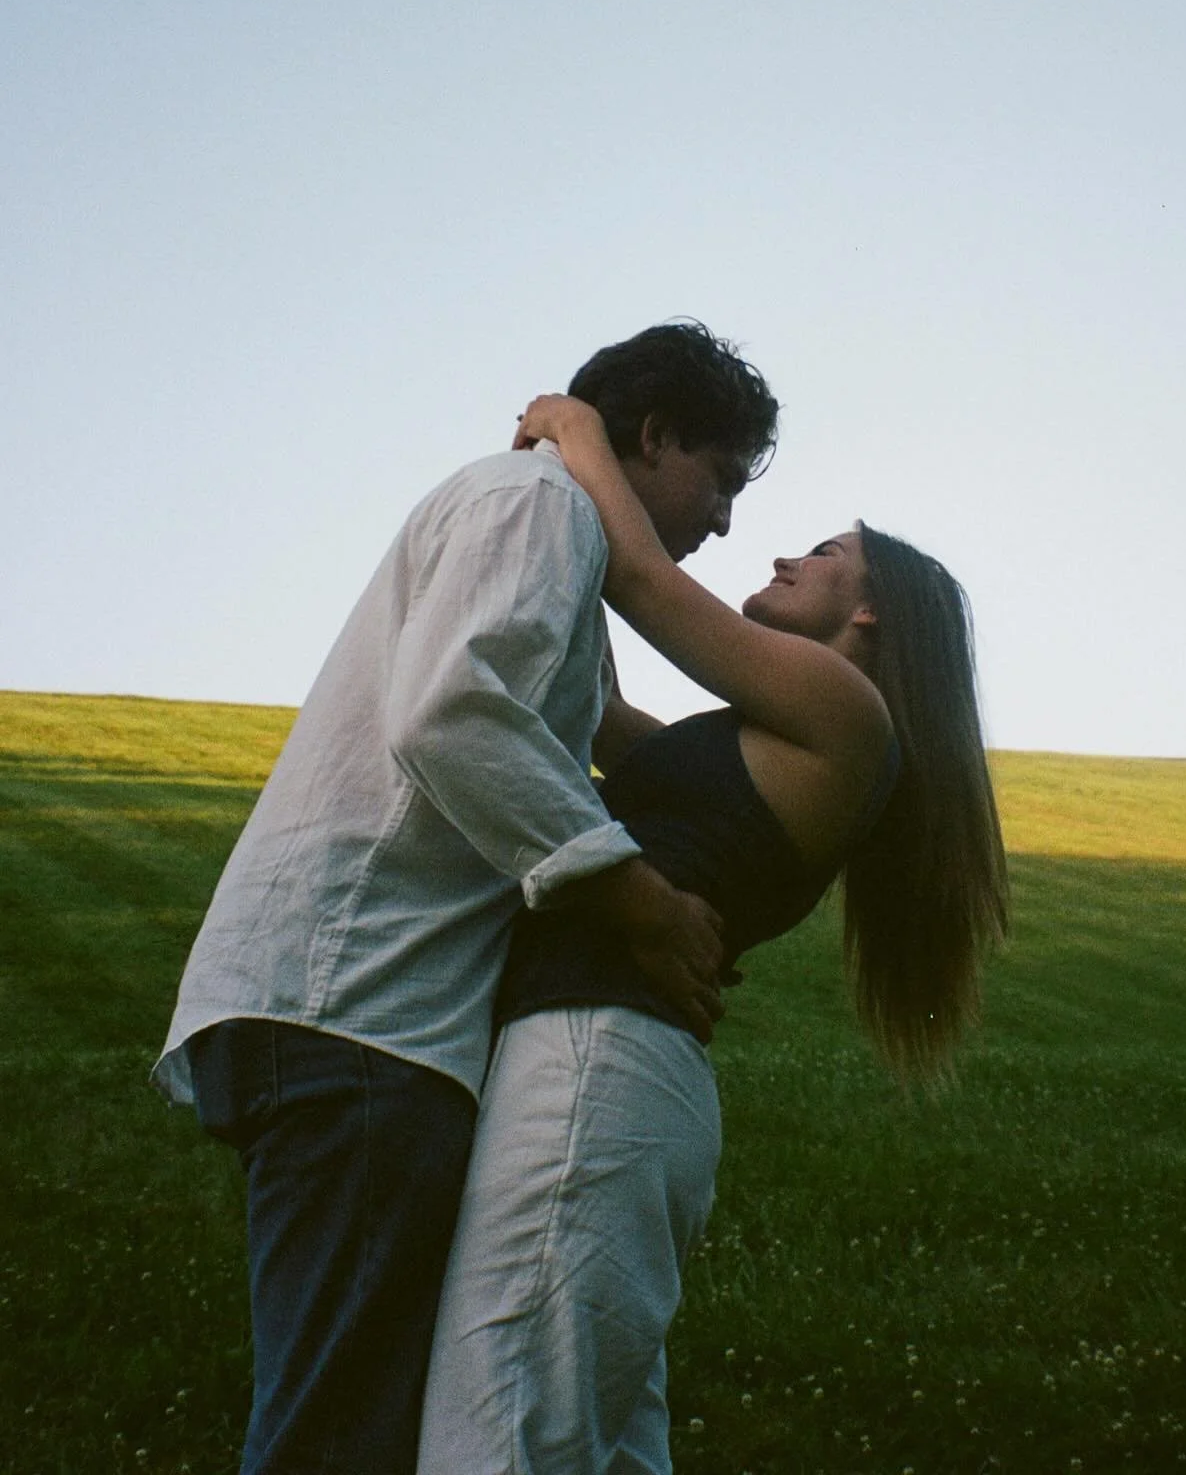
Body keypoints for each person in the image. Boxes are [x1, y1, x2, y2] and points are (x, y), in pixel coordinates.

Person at [152, 324, 780, 1475]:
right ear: (654, 435)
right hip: (361, 1015)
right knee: (336, 1436)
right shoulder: (536, 510)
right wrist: (631, 892)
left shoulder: (556, 543)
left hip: (346, 1012)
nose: (728, 520)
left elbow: (607, 734)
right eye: (722, 478)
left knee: (357, 1414)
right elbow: (452, 709)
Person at [417, 394, 1009, 1475]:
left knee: (500, 1431)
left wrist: (578, 428)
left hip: (594, 1066)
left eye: (827, 553)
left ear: (869, 614)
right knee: (593, 1443)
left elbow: (646, 583)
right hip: (612, 1074)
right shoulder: (766, 737)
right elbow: (596, 711)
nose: (786, 552)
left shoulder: (843, 709)